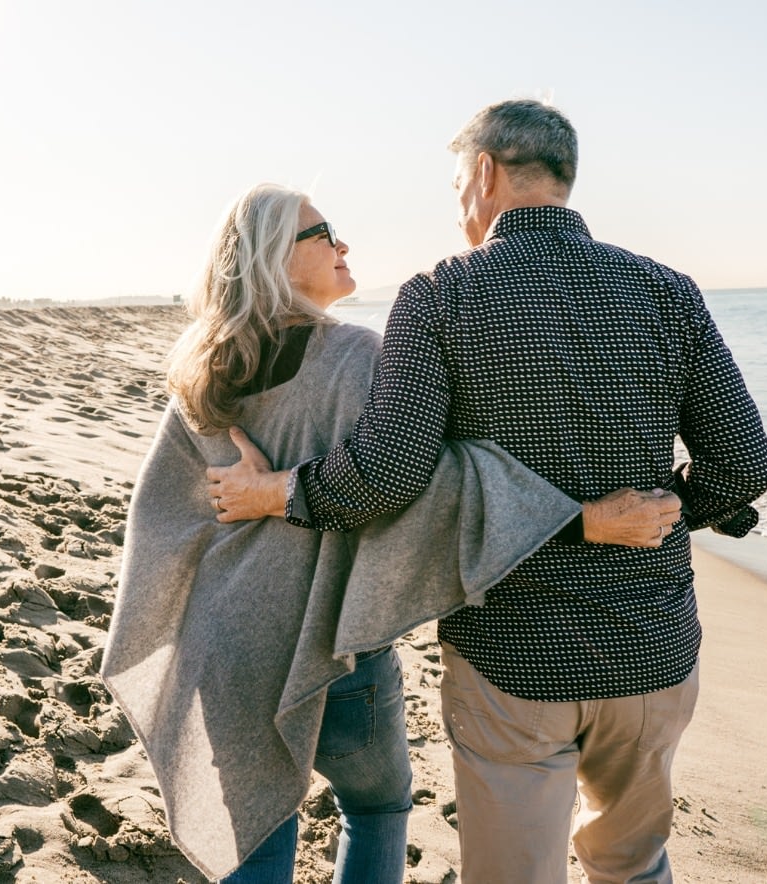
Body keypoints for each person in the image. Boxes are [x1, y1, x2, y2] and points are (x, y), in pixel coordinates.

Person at [207, 101, 767, 884]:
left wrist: (280, 492)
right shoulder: (666, 290)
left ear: (484, 173)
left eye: (455, 184)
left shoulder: (441, 294)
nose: (458, 204)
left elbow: (387, 475)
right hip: (654, 646)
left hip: (514, 656)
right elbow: (745, 463)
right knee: (635, 868)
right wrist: (679, 507)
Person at [101, 183, 679, 883]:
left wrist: (246, 516)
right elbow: (429, 486)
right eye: (324, 234)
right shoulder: (357, 359)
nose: (343, 245)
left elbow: (162, 514)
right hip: (336, 649)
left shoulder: (202, 369)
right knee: (376, 808)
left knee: (256, 831)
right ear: (274, 258)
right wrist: (581, 517)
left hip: (225, 649)